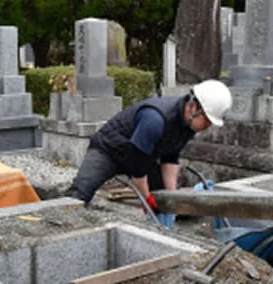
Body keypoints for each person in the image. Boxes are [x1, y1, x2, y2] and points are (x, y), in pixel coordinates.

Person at [65, 79, 232, 219]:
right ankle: (61, 221)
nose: (208, 126)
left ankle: (164, 222)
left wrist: (172, 197)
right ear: (194, 107)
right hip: (109, 149)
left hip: (143, 154)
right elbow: (138, 170)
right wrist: (146, 198)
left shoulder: (187, 125)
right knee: (80, 194)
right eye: (208, 120)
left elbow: (171, 157)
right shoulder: (155, 119)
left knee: (163, 199)